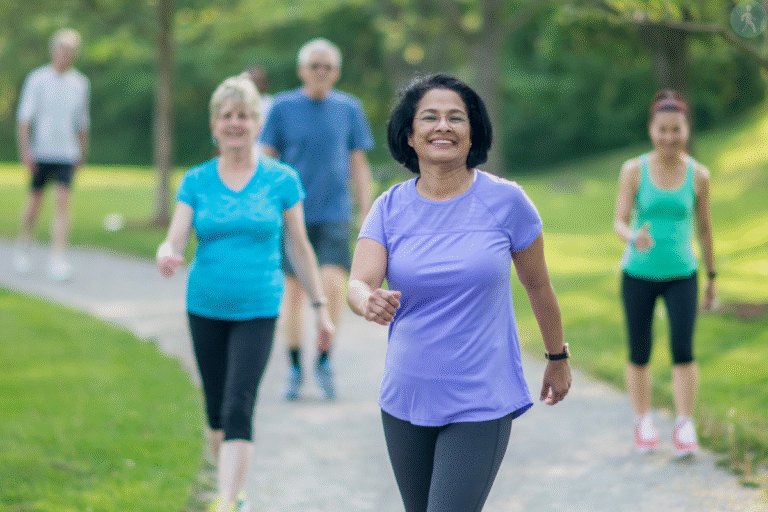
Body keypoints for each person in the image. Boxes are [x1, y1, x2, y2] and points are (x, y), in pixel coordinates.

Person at [347, 73, 571, 512]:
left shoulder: (507, 202)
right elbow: (358, 282)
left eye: (456, 118)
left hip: (480, 399)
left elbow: (538, 285)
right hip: (405, 398)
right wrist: (365, 300)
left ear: (473, 134)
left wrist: (557, 358)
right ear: (410, 136)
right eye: (429, 117)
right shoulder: (388, 207)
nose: (443, 126)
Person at [156, 75, 334, 512]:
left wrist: (321, 308)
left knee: (239, 403)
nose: (235, 123)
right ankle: (230, 488)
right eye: (227, 115)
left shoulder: (281, 179)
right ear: (214, 125)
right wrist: (167, 252)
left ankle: (228, 500)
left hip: (258, 306)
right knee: (216, 411)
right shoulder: (197, 181)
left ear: (258, 123)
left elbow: (299, 245)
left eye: (244, 115)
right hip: (205, 306)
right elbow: (175, 237)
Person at [259, 38, 375, 400]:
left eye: (327, 67)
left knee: (331, 287)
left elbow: (358, 165)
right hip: (292, 216)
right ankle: (294, 366)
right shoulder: (281, 108)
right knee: (293, 294)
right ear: (302, 70)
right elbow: (265, 159)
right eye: (314, 66)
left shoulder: (349, 109)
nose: (321, 72)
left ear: (336, 72)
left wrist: (366, 212)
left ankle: (324, 358)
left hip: (334, 214)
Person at [613, 90, 716, 457]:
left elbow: (704, 230)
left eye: (676, 129)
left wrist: (712, 276)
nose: (669, 137)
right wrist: (632, 237)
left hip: (683, 274)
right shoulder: (633, 170)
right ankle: (642, 421)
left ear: (686, 129)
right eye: (662, 129)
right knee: (639, 350)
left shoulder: (698, 174)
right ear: (651, 130)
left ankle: (684, 424)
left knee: (683, 350)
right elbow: (620, 221)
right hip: (638, 273)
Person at [13, 28, 90, 281]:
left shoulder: (80, 83)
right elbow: (24, 119)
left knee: (62, 204)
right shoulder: (37, 79)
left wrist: (82, 152)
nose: (66, 54)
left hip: (67, 152)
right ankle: (24, 246)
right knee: (34, 202)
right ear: (53, 50)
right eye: (62, 48)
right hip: (41, 151)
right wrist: (25, 151)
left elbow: (82, 122)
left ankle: (58, 257)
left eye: (71, 50)